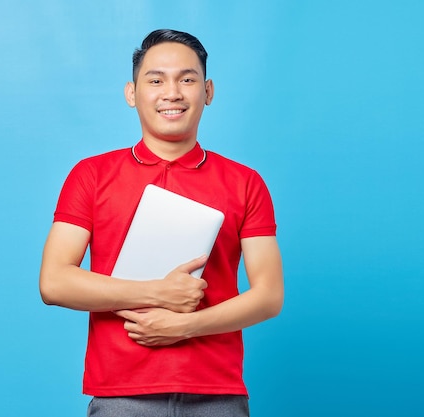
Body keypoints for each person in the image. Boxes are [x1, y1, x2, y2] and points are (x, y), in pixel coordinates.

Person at [39, 29, 284, 417]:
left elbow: (269, 295)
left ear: (208, 91)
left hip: (216, 392)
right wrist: (158, 292)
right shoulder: (91, 175)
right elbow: (54, 283)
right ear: (132, 93)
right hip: (120, 393)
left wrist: (186, 325)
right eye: (155, 80)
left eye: (187, 79)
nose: (172, 92)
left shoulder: (245, 182)